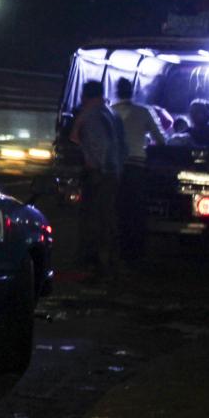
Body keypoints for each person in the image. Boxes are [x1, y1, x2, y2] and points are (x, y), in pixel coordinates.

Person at [70, 80, 127, 278]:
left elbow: (95, 145)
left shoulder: (92, 115)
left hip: (99, 174)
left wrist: (95, 167)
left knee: (94, 218)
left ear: (86, 96)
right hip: (113, 173)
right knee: (108, 217)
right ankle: (111, 260)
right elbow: (122, 146)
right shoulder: (111, 113)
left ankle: (95, 264)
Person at [111, 78, 165, 261]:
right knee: (135, 209)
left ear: (117, 91)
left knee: (117, 207)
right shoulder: (143, 112)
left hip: (116, 167)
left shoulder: (111, 112)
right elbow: (160, 140)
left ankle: (116, 248)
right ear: (132, 91)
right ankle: (135, 251)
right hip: (137, 166)